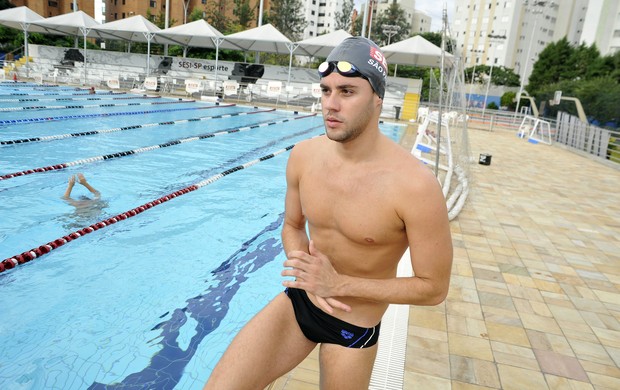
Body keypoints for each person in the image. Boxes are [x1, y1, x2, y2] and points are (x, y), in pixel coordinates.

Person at [204, 37, 453, 390]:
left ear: (378, 98)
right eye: (325, 90)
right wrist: (303, 266)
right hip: (300, 304)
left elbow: (433, 288)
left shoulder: (415, 186)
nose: (331, 105)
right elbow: (292, 226)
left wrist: (338, 284)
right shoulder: (303, 156)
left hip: (354, 326)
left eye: (347, 92)